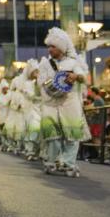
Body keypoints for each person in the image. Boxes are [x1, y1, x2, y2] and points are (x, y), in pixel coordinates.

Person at [37, 27, 91, 177]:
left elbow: (85, 78)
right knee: (52, 135)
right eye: (48, 46)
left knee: (72, 135)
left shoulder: (73, 62)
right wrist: (51, 85)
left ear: (61, 47)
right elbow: (40, 82)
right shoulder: (45, 64)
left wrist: (74, 76)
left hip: (70, 103)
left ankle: (68, 164)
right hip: (50, 102)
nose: (49, 49)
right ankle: (51, 161)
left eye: (52, 46)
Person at [0, 78, 11, 151]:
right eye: (4, 89)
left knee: (7, 132)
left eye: (7, 89)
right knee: (2, 132)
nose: (6, 90)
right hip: (1, 117)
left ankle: (7, 144)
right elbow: (0, 106)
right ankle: (3, 144)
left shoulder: (9, 96)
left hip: (8, 117)